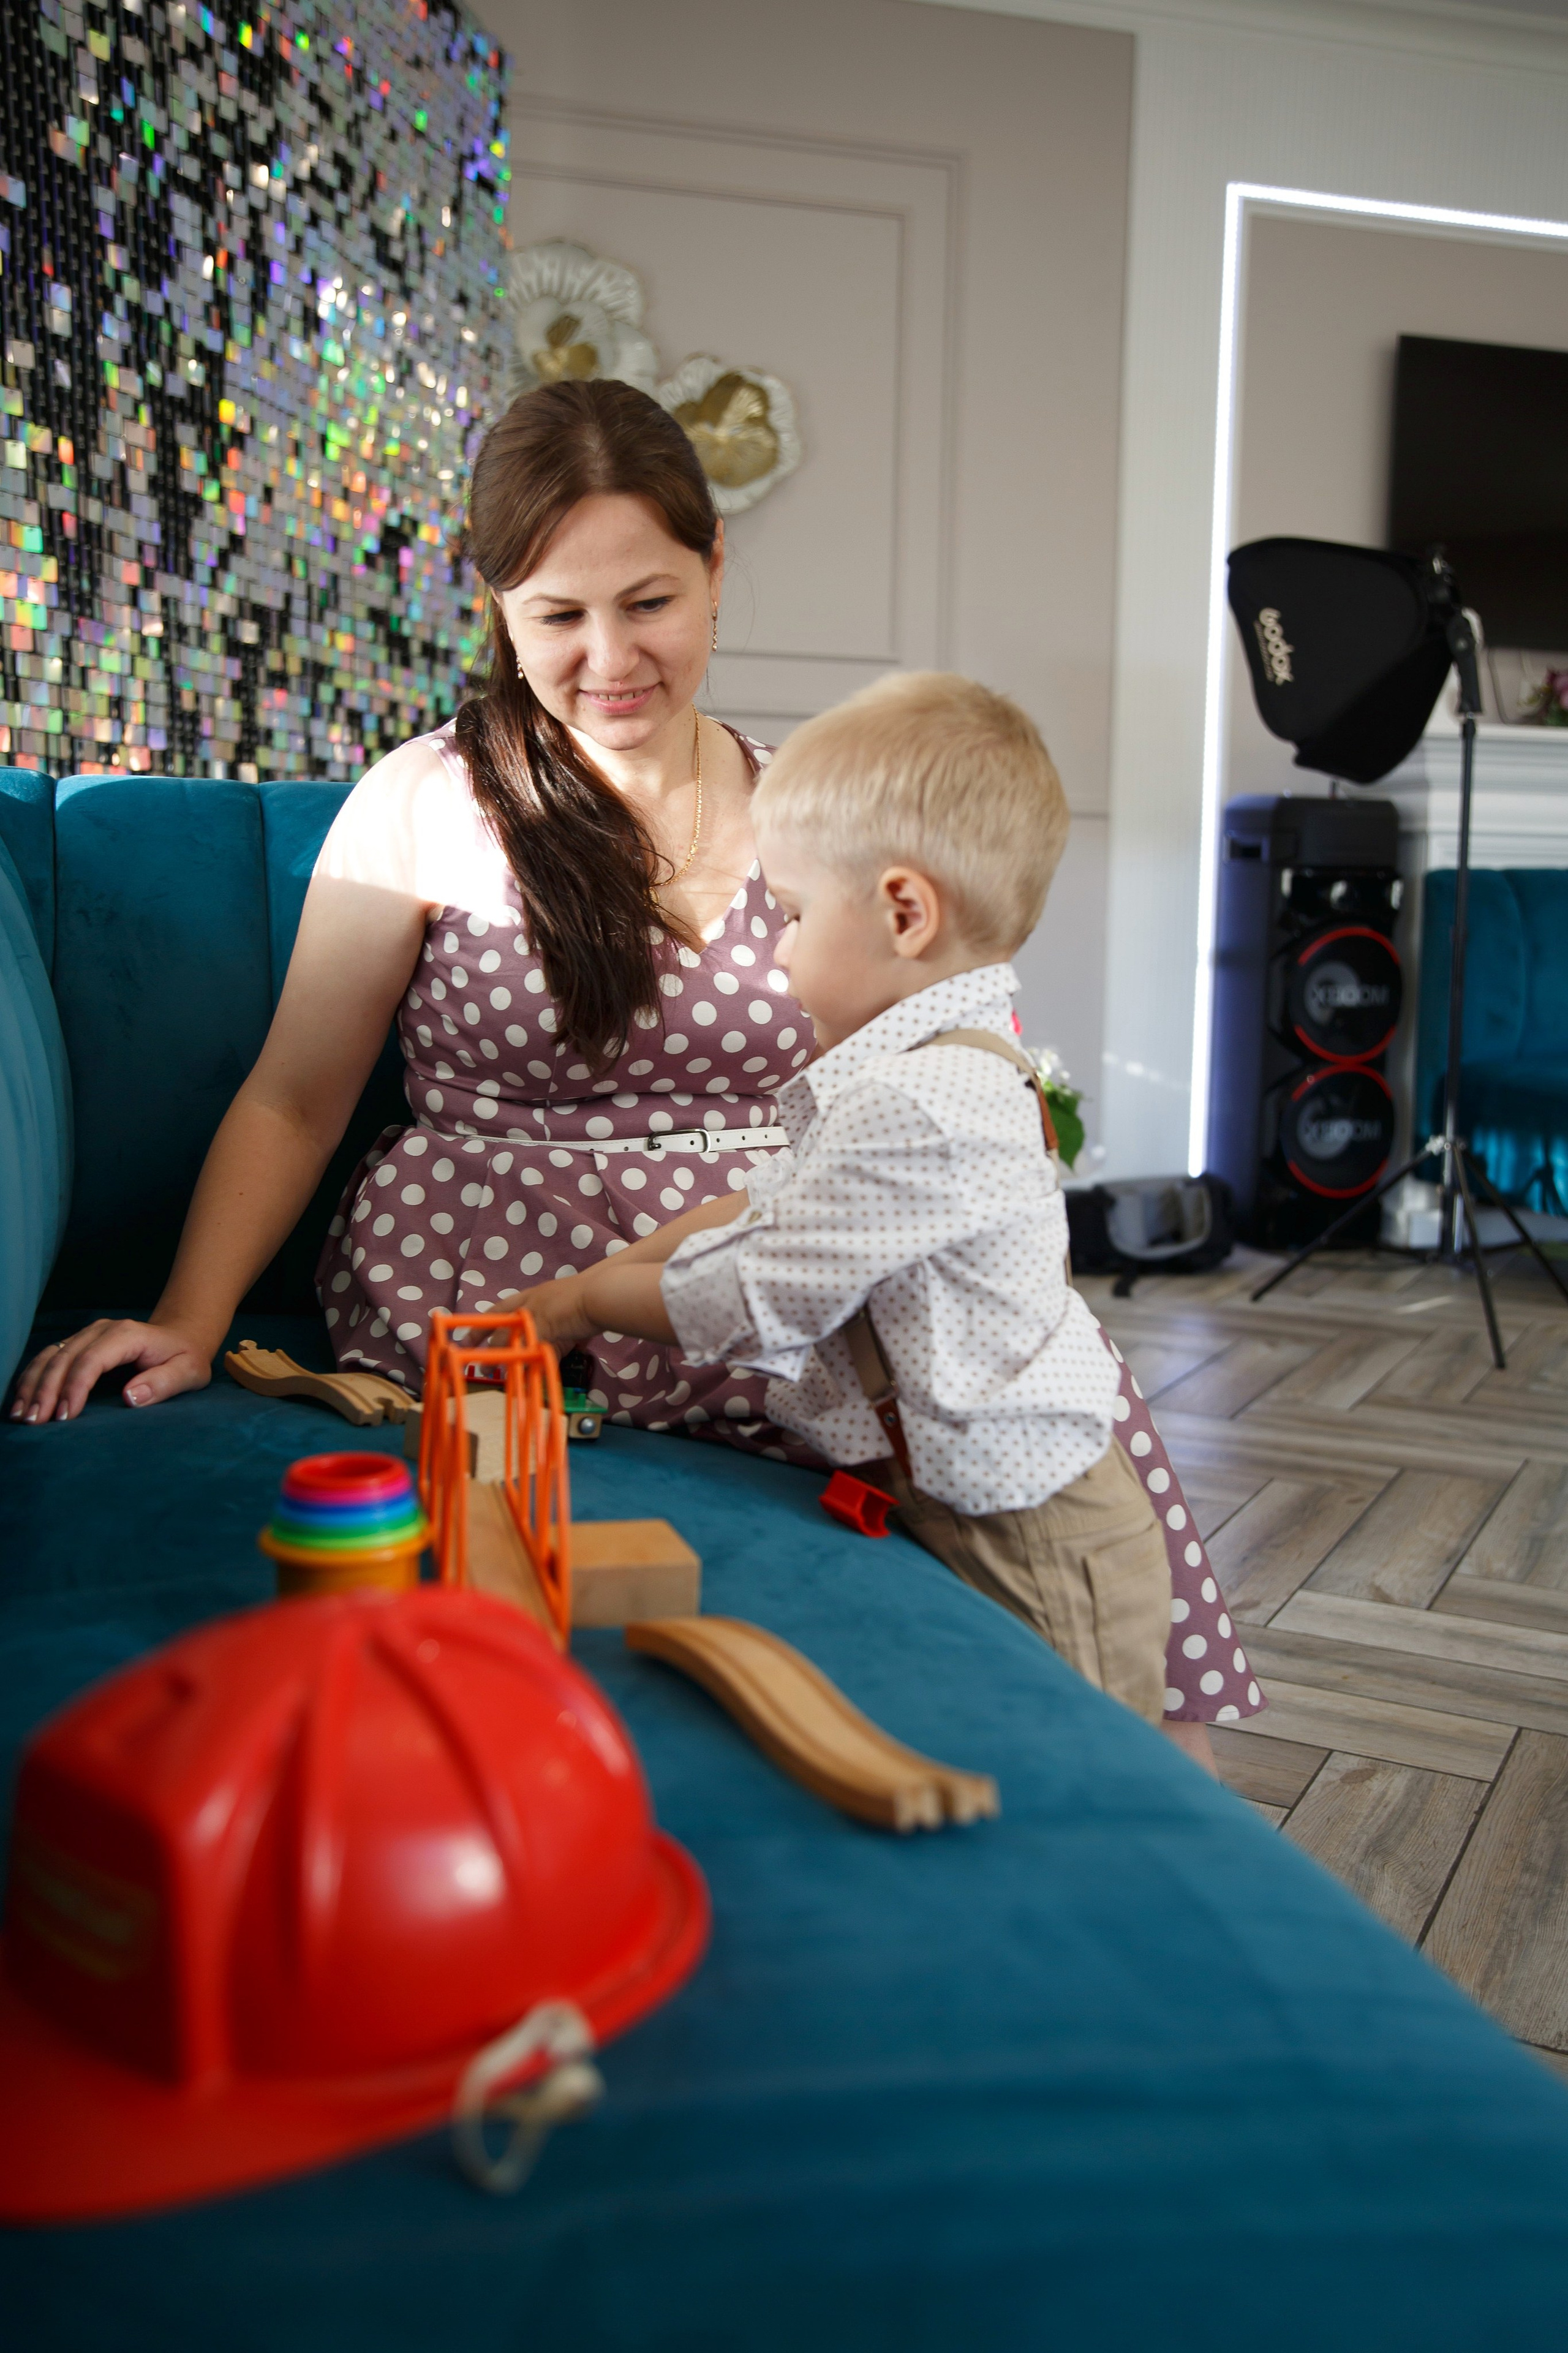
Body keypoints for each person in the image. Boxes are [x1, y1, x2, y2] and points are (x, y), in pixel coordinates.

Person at [9, 379, 1256, 1754]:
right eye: (557, 614)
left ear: (717, 569)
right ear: (499, 609)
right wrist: (189, 1320)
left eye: (648, 601)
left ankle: (1136, 1786)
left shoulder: (817, 804)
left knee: (1061, 1408)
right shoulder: (424, 800)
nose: (609, 655)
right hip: (514, 1291)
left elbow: (940, 1049)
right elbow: (294, 1096)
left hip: (780, 1280)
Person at [513, 671, 1242, 1738]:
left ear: (904, 911)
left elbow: (759, 1295)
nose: (778, 952)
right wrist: (583, 1284)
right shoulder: (917, 1070)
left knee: (1075, 1774)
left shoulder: (925, 1103)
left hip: (1036, 1538)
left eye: (795, 915)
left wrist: (582, 1308)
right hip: (977, 1505)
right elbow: (761, 1206)